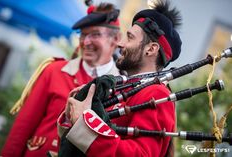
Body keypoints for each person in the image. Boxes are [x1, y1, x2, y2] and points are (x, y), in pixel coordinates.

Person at [57, 0, 182, 156]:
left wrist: (84, 124)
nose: (121, 43)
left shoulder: (157, 94)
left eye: (129, 37)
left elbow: (140, 154)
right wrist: (74, 115)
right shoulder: (127, 86)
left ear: (151, 49)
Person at [1, 2, 121, 157]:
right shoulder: (54, 71)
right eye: (83, 34)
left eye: (95, 34)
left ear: (116, 39)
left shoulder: (122, 86)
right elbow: (22, 128)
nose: (85, 42)